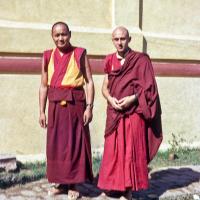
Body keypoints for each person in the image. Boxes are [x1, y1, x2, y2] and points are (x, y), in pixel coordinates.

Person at [97, 26, 162, 200]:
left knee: (130, 151)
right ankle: (113, 185)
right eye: (116, 39)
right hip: (114, 112)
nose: (119, 42)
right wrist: (111, 100)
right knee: (113, 151)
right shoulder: (110, 60)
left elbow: (150, 89)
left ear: (129, 39)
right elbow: (105, 87)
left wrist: (132, 99)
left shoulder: (140, 60)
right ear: (112, 40)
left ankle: (128, 190)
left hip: (134, 112)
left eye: (123, 39)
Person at [39, 21, 94, 199]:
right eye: (57, 35)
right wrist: (41, 111)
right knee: (57, 145)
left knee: (74, 144)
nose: (61, 38)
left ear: (70, 34)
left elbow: (89, 82)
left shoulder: (79, 53)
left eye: (64, 34)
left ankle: (74, 184)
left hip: (75, 105)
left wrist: (89, 107)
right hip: (55, 105)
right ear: (52, 36)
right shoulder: (47, 55)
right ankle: (61, 183)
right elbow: (43, 85)